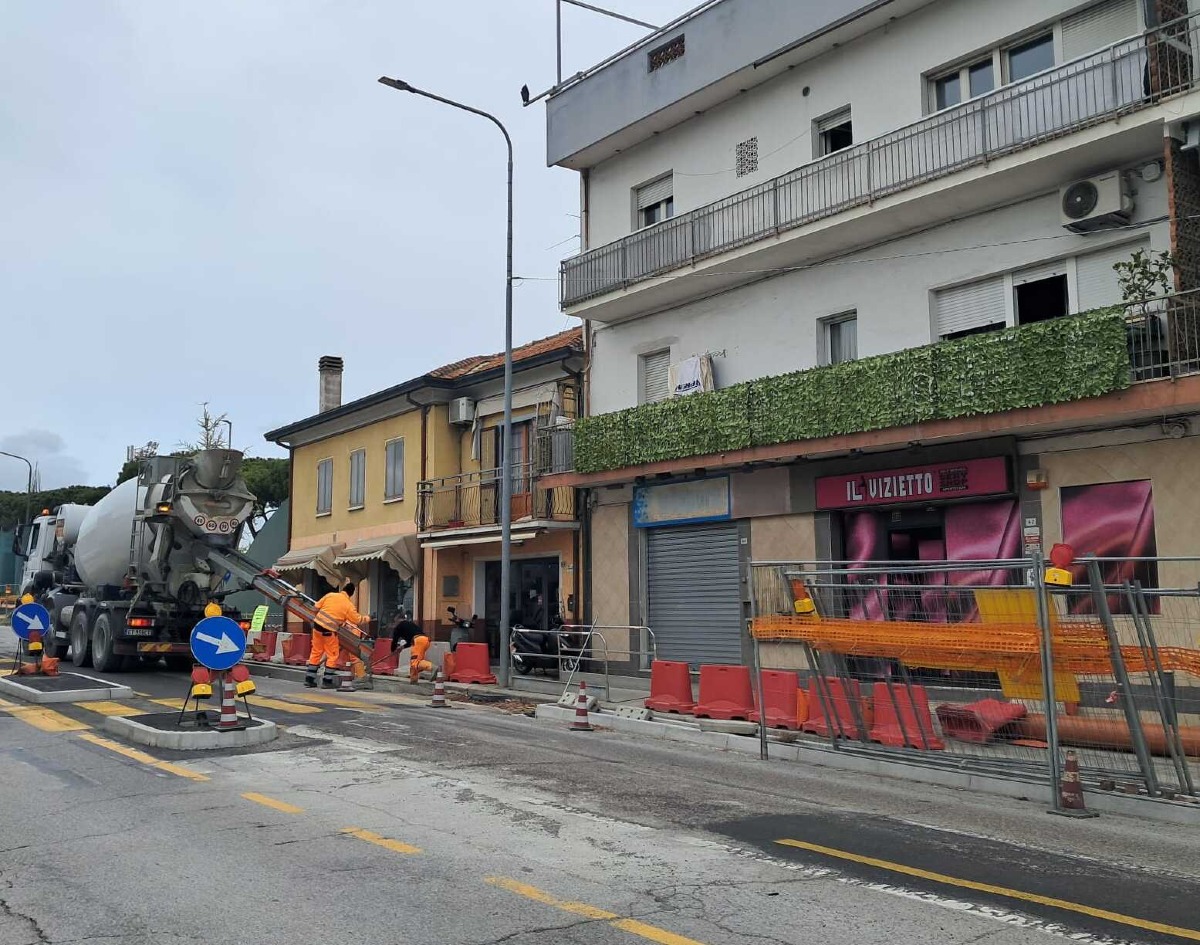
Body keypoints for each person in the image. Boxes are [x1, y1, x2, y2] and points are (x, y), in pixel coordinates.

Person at [305, 582, 369, 689]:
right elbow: (357, 620)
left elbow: (316, 607)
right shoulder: (348, 605)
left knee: (316, 652)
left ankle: (309, 679)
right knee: (332, 655)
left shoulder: (330, 595)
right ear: (351, 594)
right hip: (329, 631)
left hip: (317, 627)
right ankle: (327, 681)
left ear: (343, 589)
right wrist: (368, 618)